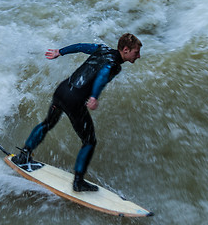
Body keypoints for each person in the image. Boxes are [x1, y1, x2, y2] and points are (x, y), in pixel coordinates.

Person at [12, 33, 142, 192]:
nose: (139, 56)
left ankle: (24, 155)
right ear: (126, 50)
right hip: (74, 100)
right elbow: (103, 74)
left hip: (62, 91)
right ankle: (78, 182)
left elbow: (80, 46)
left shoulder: (101, 49)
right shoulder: (114, 64)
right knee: (89, 141)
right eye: (136, 52)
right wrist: (94, 96)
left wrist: (60, 51)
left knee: (47, 123)